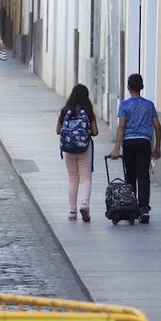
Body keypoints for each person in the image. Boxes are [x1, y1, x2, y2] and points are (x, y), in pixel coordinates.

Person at [108, 73, 161, 223]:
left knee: (130, 175)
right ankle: (144, 209)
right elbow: (157, 126)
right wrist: (157, 146)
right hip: (144, 143)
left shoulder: (124, 105)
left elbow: (121, 126)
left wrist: (116, 148)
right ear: (142, 87)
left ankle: (131, 207)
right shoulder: (149, 105)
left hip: (129, 143)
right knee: (143, 176)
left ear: (128, 87)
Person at [56, 83, 99, 222]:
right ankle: (85, 203)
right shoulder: (88, 111)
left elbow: (58, 130)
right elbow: (95, 132)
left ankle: (72, 211)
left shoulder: (65, 111)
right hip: (84, 148)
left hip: (69, 149)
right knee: (86, 178)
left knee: (73, 179)